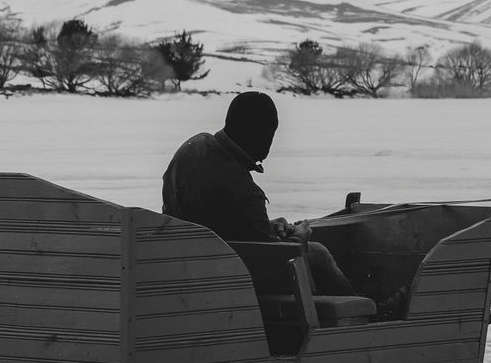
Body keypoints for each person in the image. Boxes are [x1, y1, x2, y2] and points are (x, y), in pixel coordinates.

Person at [162, 91, 404, 317]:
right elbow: (272, 262)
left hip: (190, 262)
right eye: (270, 135)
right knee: (318, 253)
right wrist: (298, 239)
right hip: (230, 275)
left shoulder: (192, 148)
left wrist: (267, 226)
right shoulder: (243, 191)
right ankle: (370, 314)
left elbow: (219, 219)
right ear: (260, 135)